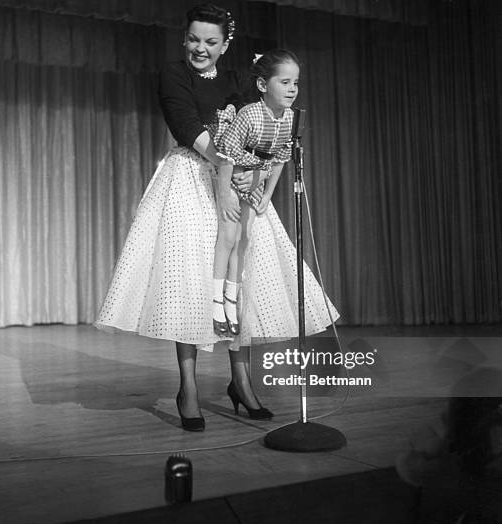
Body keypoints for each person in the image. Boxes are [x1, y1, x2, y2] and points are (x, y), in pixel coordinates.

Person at [96, 3, 339, 431]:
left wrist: (252, 176)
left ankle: (241, 381)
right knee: (191, 282)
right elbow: (187, 125)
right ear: (184, 39)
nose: (199, 48)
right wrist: (233, 166)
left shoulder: (235, 83)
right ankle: (188, 388)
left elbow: (256, 128)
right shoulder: (174, 74)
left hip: (237, 178)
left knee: (240, 277)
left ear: (225, 45)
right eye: (193, 39)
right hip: (191, 177)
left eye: (210, 41)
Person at [211, 49, 299, 338]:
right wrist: (225, 193)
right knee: (229, 236)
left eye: (295, 83)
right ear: (263, 85)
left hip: (255, 179)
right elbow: (226, 154)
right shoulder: (250, 114)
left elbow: (279, 159)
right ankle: (215, 303)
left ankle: (231, 301)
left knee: (244, 240)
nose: (292, 89)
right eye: (284, 82)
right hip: (231, 173)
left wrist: (267, 194)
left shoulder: (288, 120)